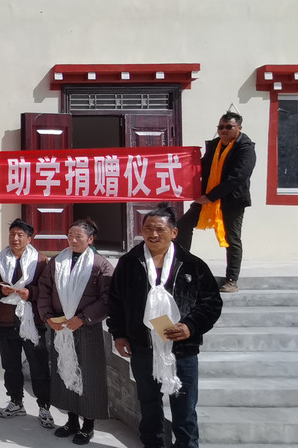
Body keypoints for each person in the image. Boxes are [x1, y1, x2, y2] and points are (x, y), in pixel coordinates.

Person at [108, 204, 222, 448]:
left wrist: (190, 326)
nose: (153, 234)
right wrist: (119, 334)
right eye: (148, 228)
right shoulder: (129, 263)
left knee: (185, 409)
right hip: (143, 347)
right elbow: (115, 302)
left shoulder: (192, 264)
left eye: (160, 229)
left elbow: (211, 303)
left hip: (182, 350)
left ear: (174, 232)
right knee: (149, 405)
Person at [37, 218, 114, 445]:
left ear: (90, 239)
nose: (72, 240)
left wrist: (83, 318)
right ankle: (71, 421)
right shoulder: (57, 262)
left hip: (87, 328)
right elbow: (44, 290)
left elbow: (108, 298)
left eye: (78, 236)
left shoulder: (100, 265)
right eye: (70, 235)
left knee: (89, 376)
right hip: (61, 327)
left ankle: (88, 425)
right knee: (64, 372)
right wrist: (47, 317)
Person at [176, 111, 256, 293]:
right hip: (208, 197)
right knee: (183, 225)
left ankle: (232, 280)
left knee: (231, 239)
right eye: (220, 127)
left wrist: (210, 197)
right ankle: (182, 268)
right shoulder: (215, 145)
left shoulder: (245, 149)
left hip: (231, 201)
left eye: (229, 127)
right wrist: (181, 164)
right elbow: (201, 166)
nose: (223, 130)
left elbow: (237, 178)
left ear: (239, 128)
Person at [0, 218, 53, 428]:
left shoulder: (41, 261)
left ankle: (44, 407)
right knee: (10, 366)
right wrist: (1, 289)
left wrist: (30, 292)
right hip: (6, 320)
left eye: (20, 235)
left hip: (33, 322)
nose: (15, 239)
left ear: (29, 239)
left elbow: (47, 289)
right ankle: (16, 401)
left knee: (39, 367)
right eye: (12, 234)